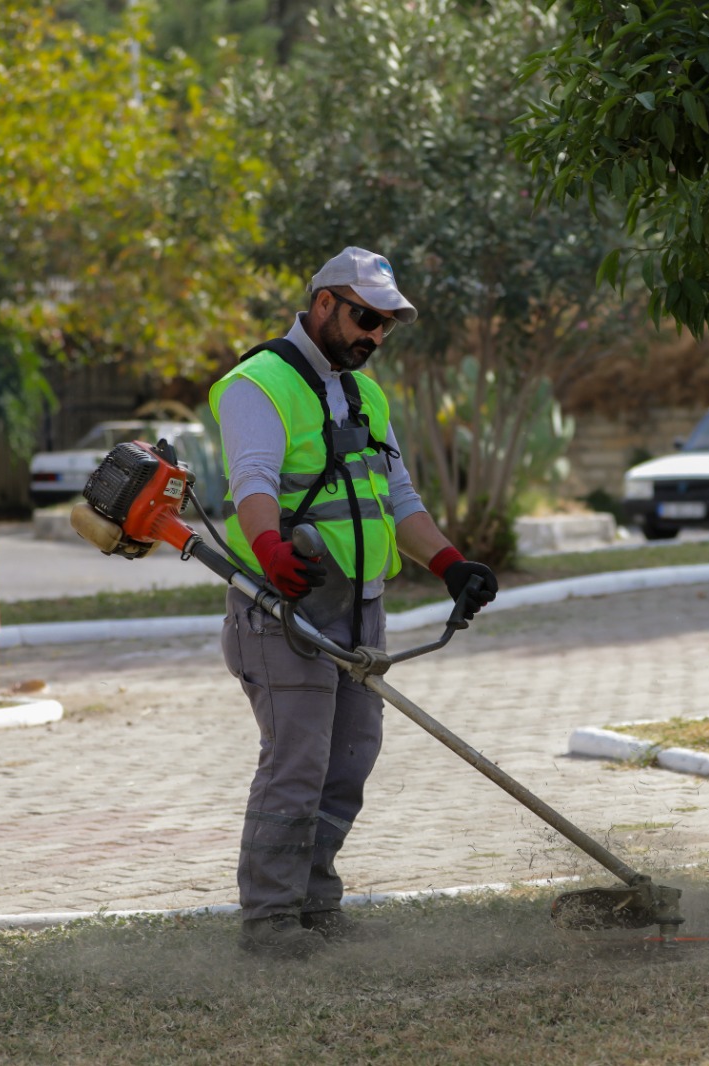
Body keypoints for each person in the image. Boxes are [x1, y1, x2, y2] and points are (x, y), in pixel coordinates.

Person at [209, 246, 498, 960]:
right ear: (325, 302)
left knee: (349, 760)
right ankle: (271, 921)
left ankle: (315, 901)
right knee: (298, 762)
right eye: (366, 317)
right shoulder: (260, 384)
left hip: (360, 605)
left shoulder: (366, 396)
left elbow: (397, 498)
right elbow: (253, 484)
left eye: (386, 324)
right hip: (285, 606)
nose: (374, 334)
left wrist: (449, 563)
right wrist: (270, 548)